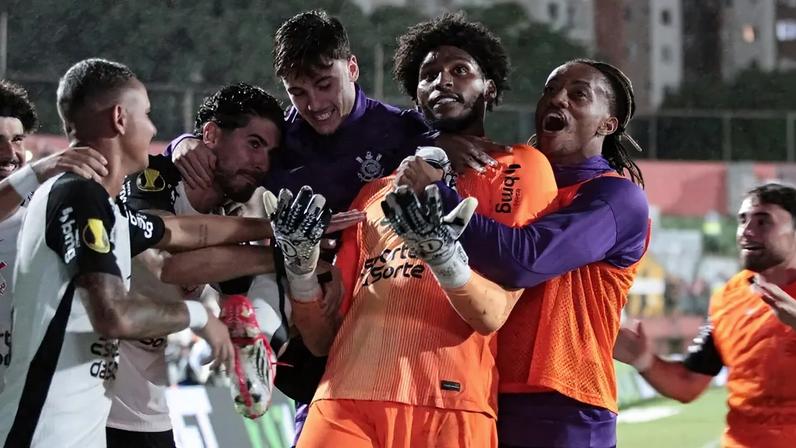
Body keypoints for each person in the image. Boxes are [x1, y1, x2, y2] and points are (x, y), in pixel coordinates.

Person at [168, 9, 511, 442]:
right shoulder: (282, 141)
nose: (313, 103)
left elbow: (467, 156)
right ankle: (257, 345)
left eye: (324, 84)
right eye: (298, 92)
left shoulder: (406, 131)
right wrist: (187, 142)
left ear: (351, 68)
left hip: (381, 320)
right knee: (277, 264)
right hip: (308, 314)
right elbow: (230, 160)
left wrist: (448, 147)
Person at [272, 14, 558, 447]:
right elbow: (323, 338)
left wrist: (444, 258)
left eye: (459, 70)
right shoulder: (373, 191)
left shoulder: (519, 167)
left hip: (452, 405)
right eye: (429, 75)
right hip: (343, 401)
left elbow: (493, 313)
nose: (443, 81)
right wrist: (300, 268)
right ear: (416, 95)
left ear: (490, 87)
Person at [0, 58, 285, 447]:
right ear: (120, 118)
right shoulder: (77, 195)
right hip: (42, 434)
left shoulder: (110, 209)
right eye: (147, 115)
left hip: (90, 430)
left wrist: (280, 234)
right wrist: (201, 316)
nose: (154, 129)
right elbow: (113, 313)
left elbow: (184, 230)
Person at [393, 57, 650, 447]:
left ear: (607, 124)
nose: (556, 99)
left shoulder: (617, 198)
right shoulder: (506, 175)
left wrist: (436, 196)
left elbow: (524, 260)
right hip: (481, 391)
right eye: (550, 90)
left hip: (565, 404)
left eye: (578, 94)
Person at [107, 82, 287, 447]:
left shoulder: (237, 215)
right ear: (210, 134)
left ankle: (256, 349)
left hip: (148, 409)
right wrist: (285, 251)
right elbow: (165, 263)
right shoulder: (149, 177)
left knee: (274, 278)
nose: (262, 163)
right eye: (254, 144)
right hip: (85, 399)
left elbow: (251, 291)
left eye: (270, 152)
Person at [615, 182, 796, 448]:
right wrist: (642, 359)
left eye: (762, 222)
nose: (746, 231)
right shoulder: (730, 296)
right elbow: (688, 384)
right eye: (742, 220)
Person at [0, 80, 109, 383]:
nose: (10, 153)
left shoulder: (48, 209)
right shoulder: (36, 180)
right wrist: (37, 171)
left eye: (18, 139)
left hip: (25, 402)